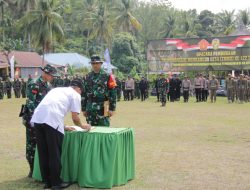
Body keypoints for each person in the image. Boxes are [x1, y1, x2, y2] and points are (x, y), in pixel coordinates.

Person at [31, 79, 91, 189]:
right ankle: (56, 183)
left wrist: (63, 126)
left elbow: (49, 108)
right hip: (51, 121)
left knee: (44, 152)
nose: (81, 94)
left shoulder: (57, 90)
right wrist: (83, 126)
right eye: (81, 91)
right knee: (54, 154)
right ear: (79, 89)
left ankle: (47, 182)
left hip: (37, 119)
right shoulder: (76, 94)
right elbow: (75, 117)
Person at [22, 64, 58, 178]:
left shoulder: (49, 86)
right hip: (33, 120)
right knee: (32, 145)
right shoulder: (34, 84)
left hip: (44, 120)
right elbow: (31, 103)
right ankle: (32, 170)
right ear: (46, 73)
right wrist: (36, 120)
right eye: (52, 75)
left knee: (43, 145)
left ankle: (41, 170)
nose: (53, 77)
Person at [82, 55, 117, 127]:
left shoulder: (108, 76)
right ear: (91, 64)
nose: (95, 65)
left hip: (104, 106)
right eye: (93, 63)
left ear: (101, 64)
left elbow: (113, 92)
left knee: (104, 130)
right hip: (90, 107)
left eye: (97, 63)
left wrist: (112, 108)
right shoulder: (87, 77)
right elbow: (84, 93)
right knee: (91, 130)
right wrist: (84, 108)